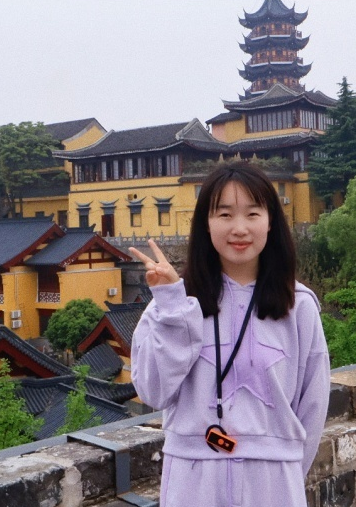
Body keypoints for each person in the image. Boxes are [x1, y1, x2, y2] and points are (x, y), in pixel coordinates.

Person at [129, 162, 330, 507]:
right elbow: (153, 392)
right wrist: (173, 308)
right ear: (206, 224)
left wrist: (285, 472)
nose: (239, 228)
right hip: (194, 481)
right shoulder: (174, 302)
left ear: (270, 222)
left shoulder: (298, 306)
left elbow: (313, 407)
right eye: (224, 214)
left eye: (252, 214)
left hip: (272, 483)